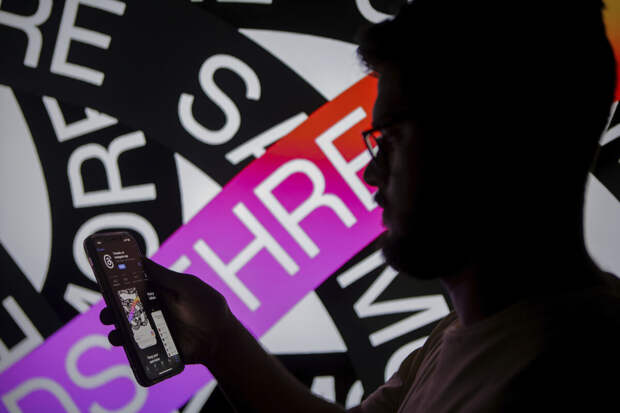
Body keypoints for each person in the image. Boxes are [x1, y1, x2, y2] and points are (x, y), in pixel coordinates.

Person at [101, 0, 620, 411]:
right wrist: (219, 340)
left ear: (490, 140)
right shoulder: (470, 333)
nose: (372, 173)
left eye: (391, 136)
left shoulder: (566, 378)